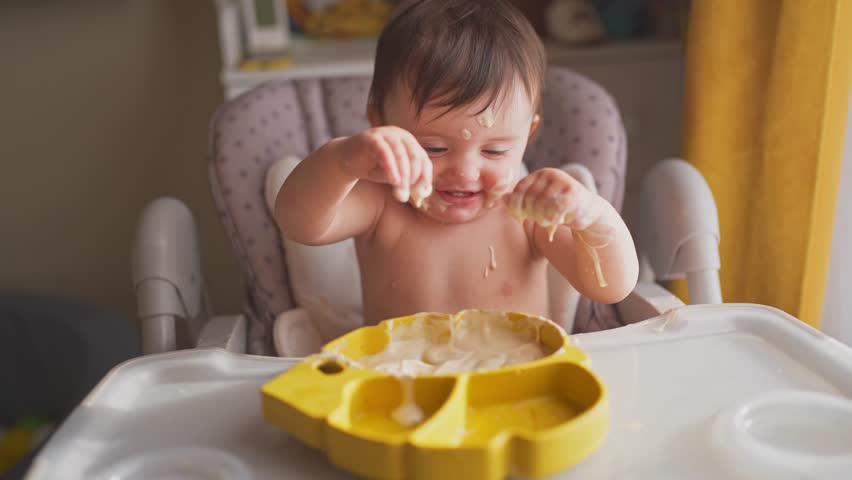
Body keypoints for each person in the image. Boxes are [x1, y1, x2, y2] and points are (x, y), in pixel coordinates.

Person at [275, 0, 638, 326]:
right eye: (433, 148)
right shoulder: (381, 202)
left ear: (527, 134)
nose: (465, 173)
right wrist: (342, 161)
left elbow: (610, 288)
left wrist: (592, 217)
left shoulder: (528, 214)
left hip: (518, 385)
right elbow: (299, 224)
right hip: (401, 388)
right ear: (379, 122)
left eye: (494, 151)